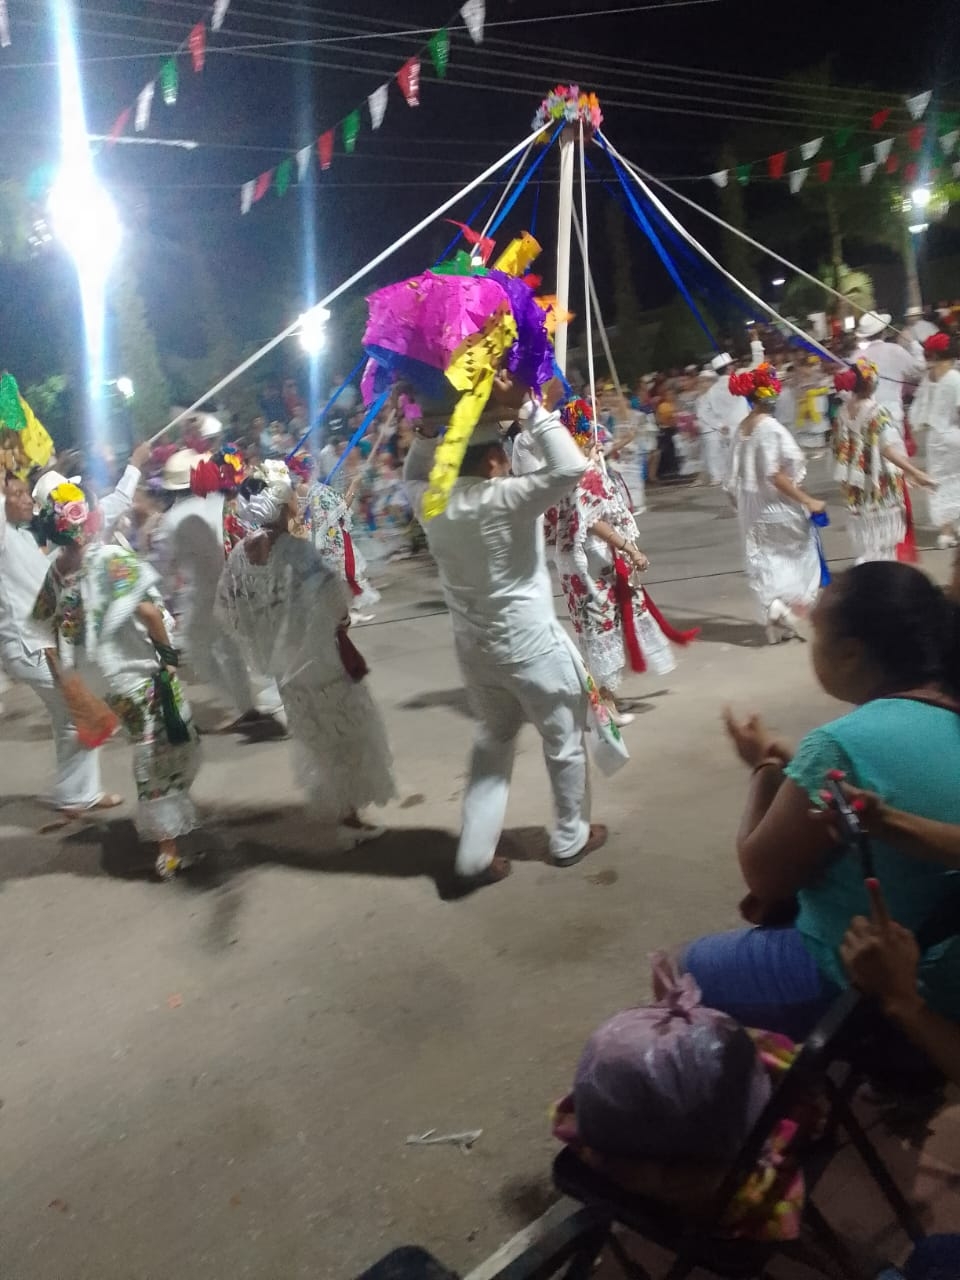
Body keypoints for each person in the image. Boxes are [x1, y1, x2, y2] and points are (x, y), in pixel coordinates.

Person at [681, 561, 960, 1040]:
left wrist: (764, 767)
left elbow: (763, 874)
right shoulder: (945, 709)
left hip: (857, 976)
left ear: (851, 653)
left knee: (686, 968)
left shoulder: (839, 745)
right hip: (940, 959)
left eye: (817, 633)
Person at [404, 373, 609, 890]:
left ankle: (475, 853)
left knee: (491, 743)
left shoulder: (431, 504)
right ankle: (569, 838)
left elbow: (415, 470)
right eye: (502, 452)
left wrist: (429, 434)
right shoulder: (505, 497)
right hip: (531, 645)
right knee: (562, 742)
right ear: (492, 460)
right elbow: (572, 466)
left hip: (475, 651)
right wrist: (530, 409)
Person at [215, 463, 395, 845]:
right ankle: (349, 817)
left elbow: (228, 610)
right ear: (282, 509)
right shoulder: (298, 552)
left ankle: (338, 809)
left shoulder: (239, 558)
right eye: (290, 497)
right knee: (345, 735)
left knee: (315, 738)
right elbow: (336, 603)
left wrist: (262, 642)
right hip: (318, 660)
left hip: (285, 670)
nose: (297, 500)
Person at [32, 481, 202, 879]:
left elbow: (44, 636)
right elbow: (149, 613)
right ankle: (168, 845)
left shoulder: (57, 571)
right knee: (164, 747)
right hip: (140, 673)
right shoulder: (108, 558)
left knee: (155, 745)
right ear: (87, 520)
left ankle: (170, 827)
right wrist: (169, 657)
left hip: (105, 684)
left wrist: (70, 685)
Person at [0, 446, 149, 815]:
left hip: (43, 643)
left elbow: (111, 507)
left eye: (23, 492)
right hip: (29, 646)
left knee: (70, 713)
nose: (20, 498)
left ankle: (75, 792)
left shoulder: (39, 535)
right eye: (13, 493)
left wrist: (133, 467)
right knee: (80, 708)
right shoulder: (4, 536)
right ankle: (76, 795)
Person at [545, 399, 694, 725]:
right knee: (600, 628)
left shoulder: (559, 468)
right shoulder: (577, 472)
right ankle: (604, 707)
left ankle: (605, 701)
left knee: (598, 628)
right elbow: (593, 518)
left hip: (577, 563)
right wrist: (629, 547)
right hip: (590, 563)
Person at [153, 447, 286, 733]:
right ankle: (251, 706)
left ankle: (251, 706)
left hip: (205, 598)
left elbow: (163, 569)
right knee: (235, 650)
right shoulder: (221, 502)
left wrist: (159, 600)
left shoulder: (172, 520)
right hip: (240, 589)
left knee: (199, 650)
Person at [725, 363, 825, 644]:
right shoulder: (769, 427)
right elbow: (775, 474)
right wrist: (808, 500)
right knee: (798, 553)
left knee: (766, 559)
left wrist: (741, 503)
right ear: (766, 395)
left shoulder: (742, 427)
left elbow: (731, 477)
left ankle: (775, 616)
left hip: (751, 508)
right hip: (775, 505)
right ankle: (781, 606)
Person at [832, 357, 936, 563]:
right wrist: (915, 472)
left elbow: (837, 448)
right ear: (870, 382)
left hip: (857, 482)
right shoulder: (876, 411)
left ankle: (867, 567)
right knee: (885, 539)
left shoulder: (843, 412)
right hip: (880, 481)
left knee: (868, 539)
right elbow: (888, 449)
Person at [910, 331, 960, 548]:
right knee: (957, 480)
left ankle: (946, 532)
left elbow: (919, 406)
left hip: (934, 438)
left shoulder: (929, 377)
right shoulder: (955, 378)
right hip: (953, 434)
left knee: (939, 481)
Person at [856, 311, 926, 433]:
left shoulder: (856, 357)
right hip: (891, 414)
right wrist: (913, 344)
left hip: (865, 415)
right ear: (884, 332)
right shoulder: (895, 351)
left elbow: (847, 391)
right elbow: (919, 369)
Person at [696, 353, 747, 486]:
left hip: (727, 431)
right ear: (729, 368)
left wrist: (719, 425)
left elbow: (703, 412)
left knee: (734, 463)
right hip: (745, 427)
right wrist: (755, 342)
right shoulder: (739, 381)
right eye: (732, 365)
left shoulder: (711, 391)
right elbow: (758, 364)